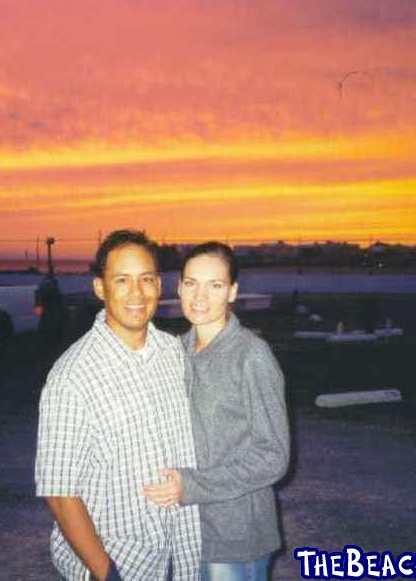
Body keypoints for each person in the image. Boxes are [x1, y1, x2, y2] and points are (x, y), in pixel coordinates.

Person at [35, 230, 201, 581]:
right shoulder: (74, 376)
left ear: (159, 284)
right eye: (121, 280)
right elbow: (58, 491)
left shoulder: (174, 354)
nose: (136, 293)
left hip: (182, 555)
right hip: (120, 564)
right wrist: (107, 574)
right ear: (100, 288)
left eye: (145, 280)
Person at [142, 242, 290, 581]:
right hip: (185, 531)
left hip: (236, 537)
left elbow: (274, 456)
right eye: (191, 283)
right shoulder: (173, 352)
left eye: (215, 285)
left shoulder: (251, 356)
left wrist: (191, 486)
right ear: (178, 287)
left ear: (233, 292)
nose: (200, 296)